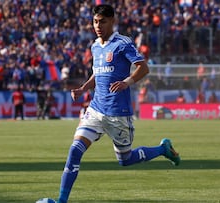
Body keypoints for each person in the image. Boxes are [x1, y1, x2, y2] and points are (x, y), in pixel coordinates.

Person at [52, 5, 181, 203]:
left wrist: (126, 82)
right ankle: (61, 200)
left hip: (118, 114)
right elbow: (99, 71)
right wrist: (84, 88)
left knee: (125, 160)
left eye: (102, 21)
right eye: (95, 21)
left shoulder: (122, 43)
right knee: (75, 150)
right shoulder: (95, 45)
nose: (98, 25)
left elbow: (143, 68)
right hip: (95, 110)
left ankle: (163, 149)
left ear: (113, 21)